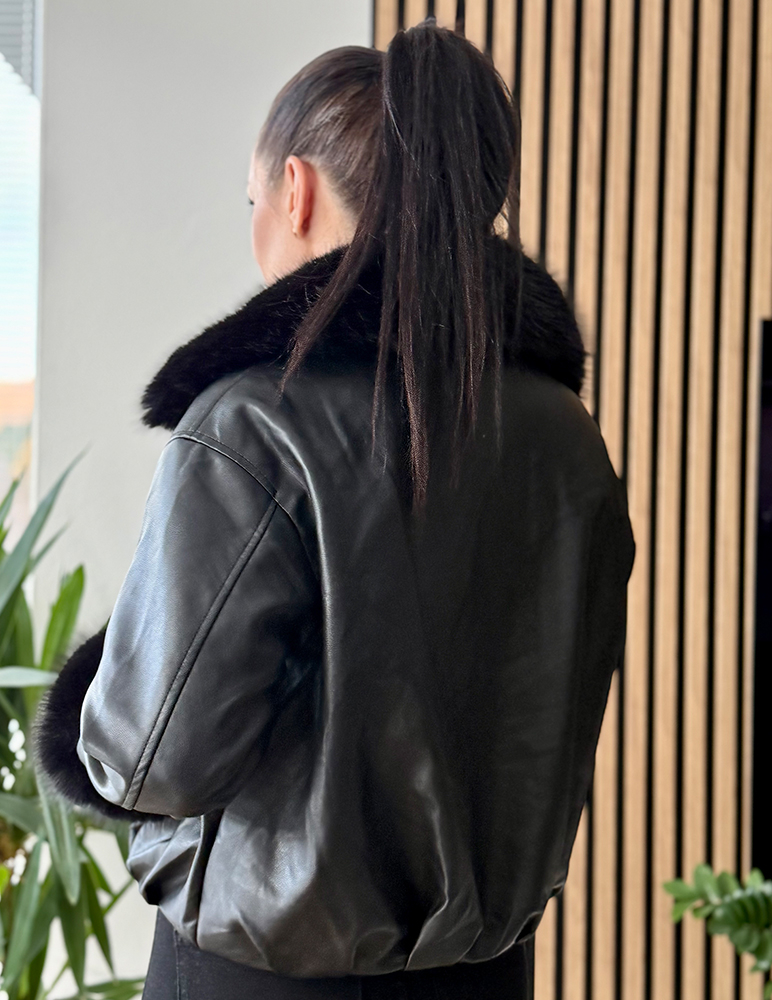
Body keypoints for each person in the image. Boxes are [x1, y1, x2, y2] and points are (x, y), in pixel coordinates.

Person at [32, 17, 636, 1000]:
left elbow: (153, 764)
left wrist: (89, 703)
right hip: (485, 976)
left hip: (259, 977)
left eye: (253, 199)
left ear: (296, 190)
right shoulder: (564, 436)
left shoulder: (252, 423)